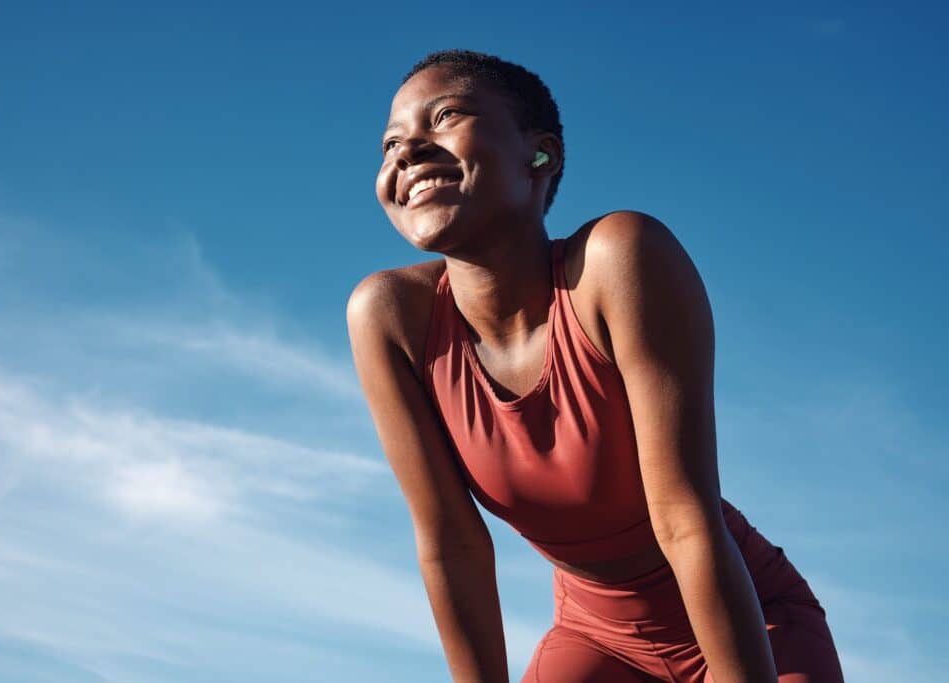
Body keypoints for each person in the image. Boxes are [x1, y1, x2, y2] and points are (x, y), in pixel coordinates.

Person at [346, 49, 844, 683]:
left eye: (445, 116)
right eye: (390, 143)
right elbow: (452, 545)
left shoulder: (617, 261)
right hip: (595, 638)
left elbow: (684, 518)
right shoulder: (389, 316)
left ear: (540, 155)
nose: (406, 152)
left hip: (751, 624)